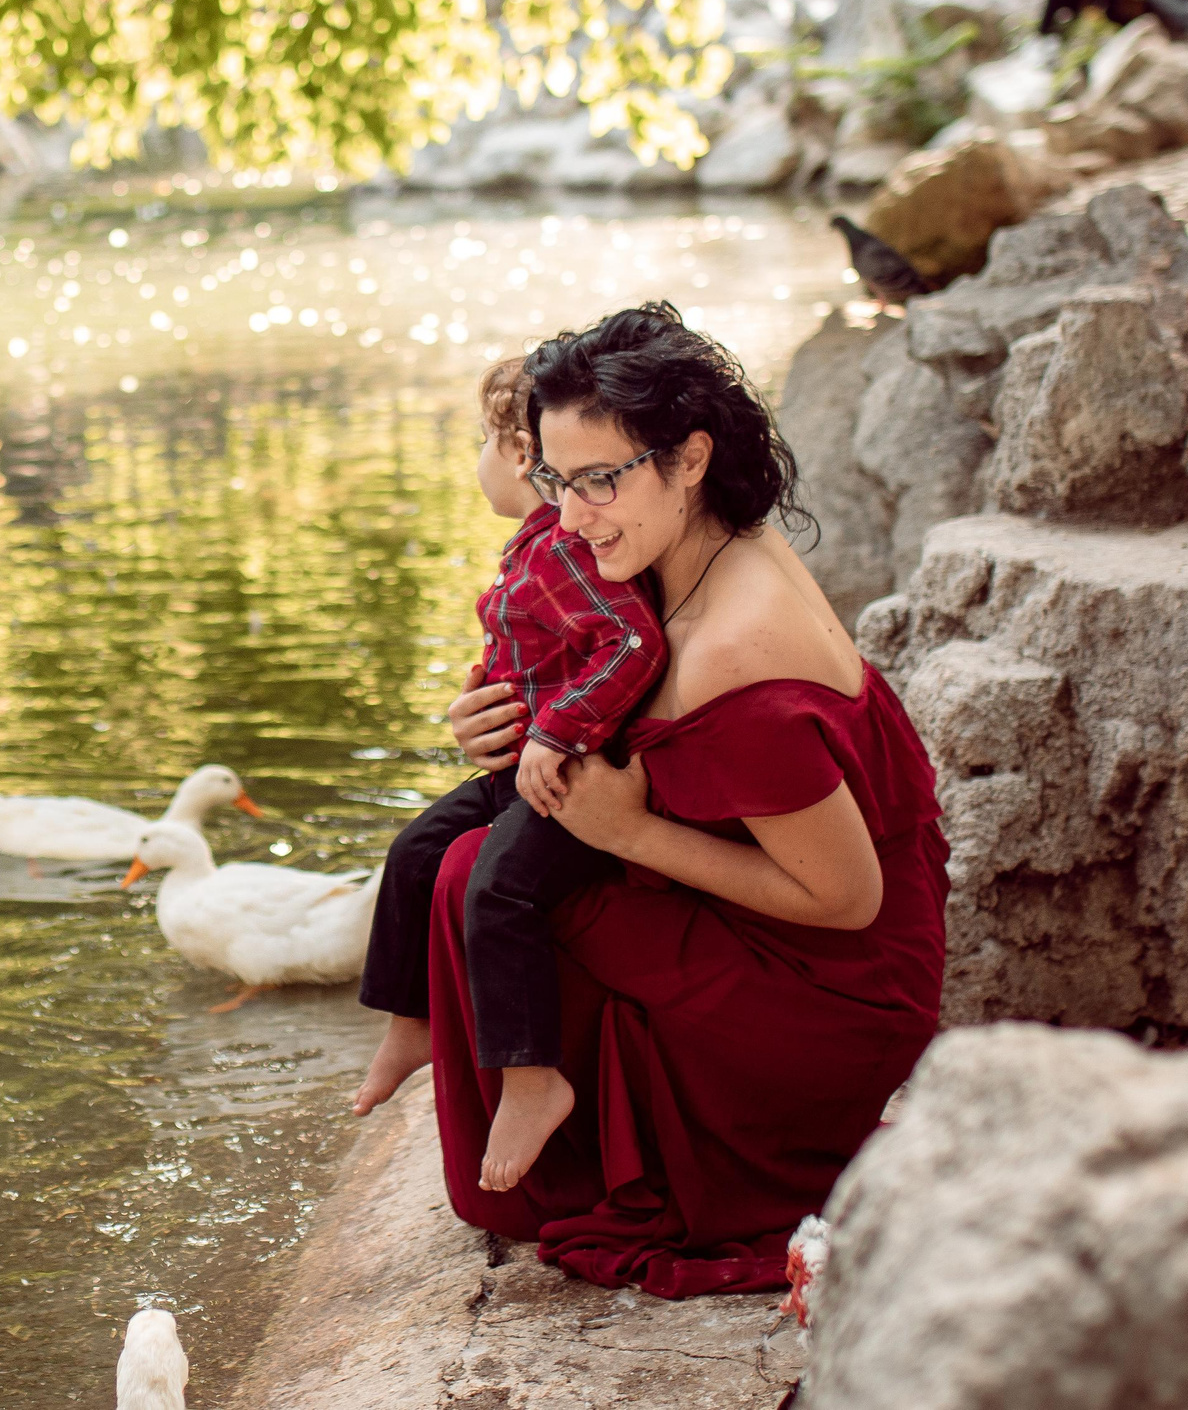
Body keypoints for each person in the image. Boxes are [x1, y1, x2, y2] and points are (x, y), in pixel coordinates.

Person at [421, 304, 950, 1299]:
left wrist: (631, 831)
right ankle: (574, 1131)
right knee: (471, 859)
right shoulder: (688, 546)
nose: (571, 517)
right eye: (556, 481)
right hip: (780, 932)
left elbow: (847, 899)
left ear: (691, 457)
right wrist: (493, 718)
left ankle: (603, 1159)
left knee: (470, 879)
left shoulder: (739, 649)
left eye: (601, 480)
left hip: (826, 991)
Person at [351, 356, 665, 1202]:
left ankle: (533, 1079)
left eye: (482, 442)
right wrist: (481, 701)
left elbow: (630, 643)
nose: (477, 462)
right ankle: (409, 1022)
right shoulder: (536, 547)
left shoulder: (564, 549)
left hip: (572, 772)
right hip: (525, 756)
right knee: (416, 851)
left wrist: (556, 730)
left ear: (522, 453)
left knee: (497, 888)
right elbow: (536, 654)